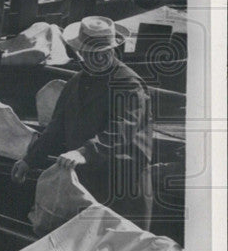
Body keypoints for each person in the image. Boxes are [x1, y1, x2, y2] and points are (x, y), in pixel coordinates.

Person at [11, 16, 153, 229]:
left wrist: (83, 152)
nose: (98, 58)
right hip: (88, 183)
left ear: (113, 50)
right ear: (81, 53)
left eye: (103, 52)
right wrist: (30, 159)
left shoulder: (128, 85)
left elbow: (121, 129)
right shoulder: (76, 82)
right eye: (91, 54)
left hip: (123, 186)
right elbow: (56, 128)